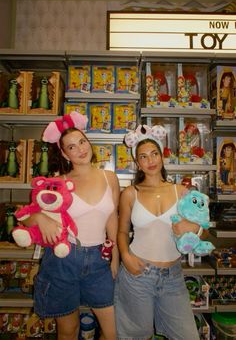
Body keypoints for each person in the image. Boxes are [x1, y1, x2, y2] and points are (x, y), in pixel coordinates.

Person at [19, 112, 120, 340]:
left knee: (112, 332)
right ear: (64, 153)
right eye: (72, 147)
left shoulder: (109, 178)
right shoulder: (58, 182)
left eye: (82, 141)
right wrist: (41, 219)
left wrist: (115, 255)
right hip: (63, 259)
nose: (81, 149)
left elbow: (112, 216)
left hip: (99, 259)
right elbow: (25, 217)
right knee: (68, 331)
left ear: (88, 141)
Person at [114, 124, 209, 340]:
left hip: (172, 278)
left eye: (154, 153)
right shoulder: (130, 193)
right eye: (144, 157)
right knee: (134, 336)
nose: (151, 160)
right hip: (137, 276)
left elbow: (201, 227)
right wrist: (126, 257)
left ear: (162, 156)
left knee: (187, 336)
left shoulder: (181, 191)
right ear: (138, 163)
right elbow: (121, 232)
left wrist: (194, 227)